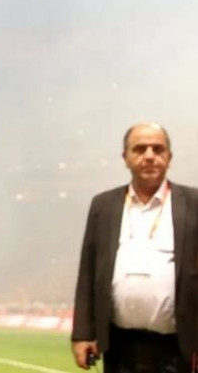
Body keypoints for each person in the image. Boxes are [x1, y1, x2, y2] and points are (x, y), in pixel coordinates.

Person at [71, 123, 198, 372]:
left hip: (179, 347)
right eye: (140, 149)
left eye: (158, 149)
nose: (149, 156)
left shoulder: (194, 204)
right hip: (119, 348)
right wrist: (82, 333)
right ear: (125, 157)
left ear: (169, 157)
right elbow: (88, 272)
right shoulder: (104, 206)